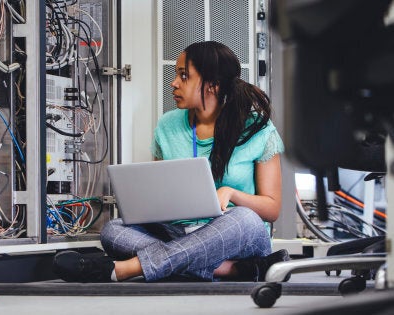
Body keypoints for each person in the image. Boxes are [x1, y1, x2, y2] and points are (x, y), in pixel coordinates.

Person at [53, 41, 289, 283]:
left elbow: (271, 209)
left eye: (184, 76)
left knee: (245, 218)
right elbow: (158, 194)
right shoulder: (167, 125)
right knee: (113, 230)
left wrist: (231, 193)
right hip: (177, 232)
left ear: (213, 85)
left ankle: (123, 269)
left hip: (235, 235)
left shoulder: (258, 129)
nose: (174, 83)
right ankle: (234, 270)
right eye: (177, 75)